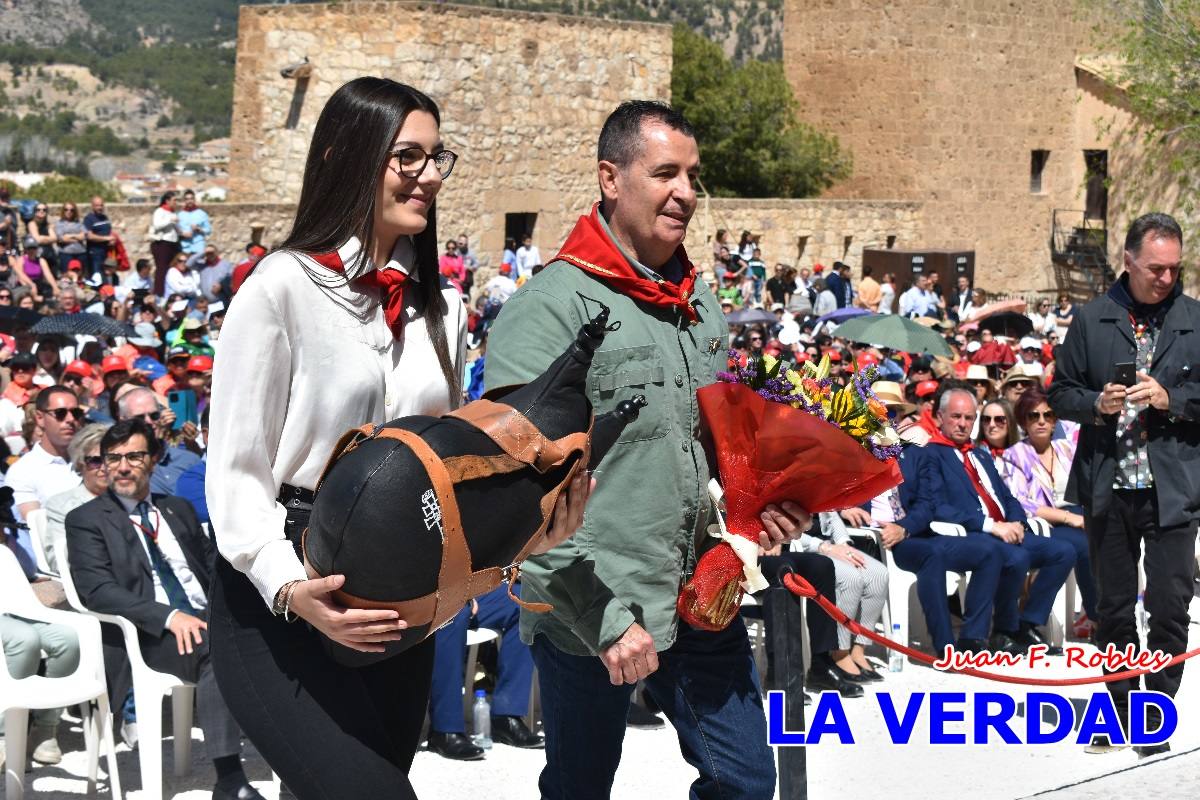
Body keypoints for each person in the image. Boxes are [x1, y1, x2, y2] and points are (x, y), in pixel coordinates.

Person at [204, 78, 587, 799]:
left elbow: (445, 464)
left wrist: (531, 529)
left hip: (402, 599)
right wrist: (291, 587)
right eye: (407, 157)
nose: (431, 176)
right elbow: (233, 473)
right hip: (281, 595)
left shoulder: (440, 308)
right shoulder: (279, 287)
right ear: (351, 157)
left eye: (438, 157)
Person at [486, 100, 810, 800]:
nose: (686, 194)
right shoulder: (550, 308)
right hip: (589, 607)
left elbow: (724, 450)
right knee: (580, 789)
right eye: (666, 173)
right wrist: (604, 618)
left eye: (693, 176)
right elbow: (520, 487)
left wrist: (770, 511)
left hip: (702, 592)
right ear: (611, 178)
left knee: (749, 785)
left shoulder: (701, 305)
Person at [1048, 212, 1200, 756]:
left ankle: (1154, 713)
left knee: (1168, 606)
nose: (1165, 277)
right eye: (1155, 267)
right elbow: (1060, 393)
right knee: (1112, 610)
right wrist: (1096, 403)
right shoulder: (1091, 319)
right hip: (1108, 487)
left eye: (1173, 268)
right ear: (1129, 261)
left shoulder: (1194, 319)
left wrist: (1173, 401)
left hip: (1173, 490)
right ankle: (1118, 711)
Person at [64, 420, 261, 799]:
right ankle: (230, 779)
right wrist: (168, 616)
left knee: (278, 635)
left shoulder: (177, 509)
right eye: (113, 458)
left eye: (134, 456)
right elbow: (96, 591)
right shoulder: (87, 520)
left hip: (205, 618)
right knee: (215, 650)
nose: (122, 467)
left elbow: (213, 569)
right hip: (147, 634)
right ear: (102, 465)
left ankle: (295, 757)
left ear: (153, 460)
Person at [919, 388, 1074, 653]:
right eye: (956, 416)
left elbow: (1007, 497)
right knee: (1015, 558)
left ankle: (1027, 623)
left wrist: (1016, 522)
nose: (962, 423)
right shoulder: (931, 455)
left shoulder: (979, 454)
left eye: (968, 417)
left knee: (1063, 551)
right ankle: (995, 631)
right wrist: (991, 526)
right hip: (972, 534)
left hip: (1005, 530)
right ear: (940, 417)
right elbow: (937, 508)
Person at [1002, 389, 1097, 637]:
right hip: (1044, 523)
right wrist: (1070, 518)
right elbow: (1022, 503)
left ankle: (1107, 613)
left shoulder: (1066, 448)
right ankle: (1099, 618)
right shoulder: (1014, 455)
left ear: (1056, 420)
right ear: (1023, 421)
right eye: (1034, 416)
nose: (1042, 421)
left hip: (1078, 515)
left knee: (1107, 540)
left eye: (1048, 415)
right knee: (1084, 545)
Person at [427, 584, 543, 760]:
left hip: (468, 587)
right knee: (452, 614)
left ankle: (506, 716)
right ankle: (444, 729)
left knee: (527, 601)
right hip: (431, 596)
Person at [4, 386, 83, 525]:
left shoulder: (93, 460)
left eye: (76, 413)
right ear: (40, 418)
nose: (70, 419)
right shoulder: (22, 472)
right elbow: (37, 530)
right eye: (60, 413)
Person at [44, 423, 110, 573]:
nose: (104, 467)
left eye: (110, 459)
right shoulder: (62, 506)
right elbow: (57, 560)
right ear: (80, 463)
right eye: (96, 461)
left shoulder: (129, 499)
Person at [116, 386, 200, 495]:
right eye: (139, 418)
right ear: (123, 421)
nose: (149, 421)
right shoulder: (118, 466)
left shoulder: (189, 460)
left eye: (154, 415)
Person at [150, 191, 184, 297]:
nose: (176, 203)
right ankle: (159, 294)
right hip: (162, 243)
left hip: (173, 243)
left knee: (172, 268)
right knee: (162, 269)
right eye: (174, 200)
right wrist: (170, 220)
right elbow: (157, 225)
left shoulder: (173, 213)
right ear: (167, 201)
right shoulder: (159, 211)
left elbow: (176, 229)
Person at [82, 196, 114, 280]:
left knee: (106, 276)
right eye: (97, 205)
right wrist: (106, 239)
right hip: (95, 253)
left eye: (101, 205)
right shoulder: (89, 219)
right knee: (97, 277)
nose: (99, 207)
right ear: (92, 206)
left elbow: (109, 231)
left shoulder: (104, 218)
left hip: (106, 252)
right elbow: (89, 236)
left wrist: (112, 240)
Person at [53, 202, 87, 275]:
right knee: (66, 276)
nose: (69, 212)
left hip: (81, 253)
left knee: (81, 276)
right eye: (66, 209)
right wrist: (77, 237)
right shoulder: (59, 224)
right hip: (66, 254)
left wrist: (69, 235)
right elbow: (62, 238)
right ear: (63, 211)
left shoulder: (79, 223)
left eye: (71, 210)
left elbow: (84, 236)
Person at [178, 189, 212, 258]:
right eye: (187, 199)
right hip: (185, 247)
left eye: (191, 199)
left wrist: (199, 229)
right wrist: (183, 234)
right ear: (184, 201)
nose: (189, 201)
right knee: (186, 268)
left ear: (194, 200)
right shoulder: (179, 215)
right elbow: (177, 231)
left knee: (199, 267)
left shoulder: (202, 214)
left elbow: (208, 230)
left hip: (198, 246)